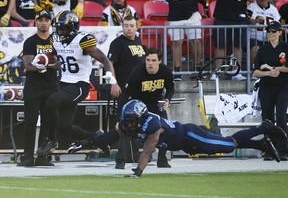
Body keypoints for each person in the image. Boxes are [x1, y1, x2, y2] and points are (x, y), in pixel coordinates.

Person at [68, 99, 287, 177]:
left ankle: (262, 127)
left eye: (132, 120)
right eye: (128, 120)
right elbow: (110, 135)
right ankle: (262, 145)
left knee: (230, 145)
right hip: (186, 144)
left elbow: (147, 150)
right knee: (228, 145)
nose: (129, 124)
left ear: (140, 117)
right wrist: (87, 142)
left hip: (191, 135)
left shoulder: (152, 124)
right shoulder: (131, 123)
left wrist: (138, 172)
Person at [35, 10, 116, 155]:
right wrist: (43, 59)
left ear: (72, 28)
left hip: (79, 85)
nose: (60, 31)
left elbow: (104, 59)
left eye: (63, 28)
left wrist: (110, 75)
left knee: (51, 102)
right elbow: (55, 56)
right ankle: (98, 139)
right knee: (64, 127)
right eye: (58, 28)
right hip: (64, 84)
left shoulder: (82, 40)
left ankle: (51, 140)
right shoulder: (56, 39)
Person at [117, 47, 175, 168]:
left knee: (165, 127)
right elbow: (126, 93)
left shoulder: (165, 71)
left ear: (159, 61)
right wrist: (120, 114)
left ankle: (162, 159)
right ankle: (120, 159)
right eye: (148, 60)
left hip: (156, 103)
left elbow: (170, 88)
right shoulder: (137, 72)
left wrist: (167, 100)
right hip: (138, 105)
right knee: (125, 129)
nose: (150, 63)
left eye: (153, 60)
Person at [17, 9, 61, 166]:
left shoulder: (56, 41)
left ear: (50, 22)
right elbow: (28, 66)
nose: (44, 23)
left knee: (47, 123)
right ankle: (27, 156)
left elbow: (59, 64)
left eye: (46, 20)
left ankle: (43, 156)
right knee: (30, 121)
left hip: (51, 86)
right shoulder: (30, 41)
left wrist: (46, 64)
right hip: (33, 87)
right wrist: (39, 65)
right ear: (35, 22)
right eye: (40, 20)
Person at [106, 15, 146, 169]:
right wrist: (114, 83)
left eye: (131, 25)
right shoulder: (117, 43)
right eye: (126, 25)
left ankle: (135, 156)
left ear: (137, 27)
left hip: (140, 89)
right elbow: (110, 64)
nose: (129, 28)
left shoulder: (138, 42)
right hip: (124, 89)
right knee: (124, 123)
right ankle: (120, 158)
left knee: (139, 122)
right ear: (122, 27)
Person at [152, 0, 205, 81]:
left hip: (192, 14)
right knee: (176, 43)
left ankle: (197, 68)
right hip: (175, 16)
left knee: (196, 42)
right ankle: (177, 71)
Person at [252, 21, 288, 161]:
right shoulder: (262, 50)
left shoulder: (286, 47)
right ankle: (269, 149)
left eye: (274, 31)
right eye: (269, 31)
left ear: (280, 32)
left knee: (281, 117)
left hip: (283, 86)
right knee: (267, 119)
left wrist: (274, 68)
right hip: (267, 87)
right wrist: (267, 73)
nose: (271, 34)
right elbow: (255, 71)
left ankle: (283, 149)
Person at [211, 0, 255, 81]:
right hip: (222, 15)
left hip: (239, 16)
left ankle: (236, 71)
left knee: (237, 45)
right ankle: (217, 71)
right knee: (220, 45)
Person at [247, 0, 281, 79]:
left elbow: (279, 24)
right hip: (253, 35)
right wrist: (255, 21)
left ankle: (274, 72)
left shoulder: (274, 10)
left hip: (269, 37)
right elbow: (246, 20)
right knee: (255, 48)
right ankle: (254, 72)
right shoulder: (251, 6)